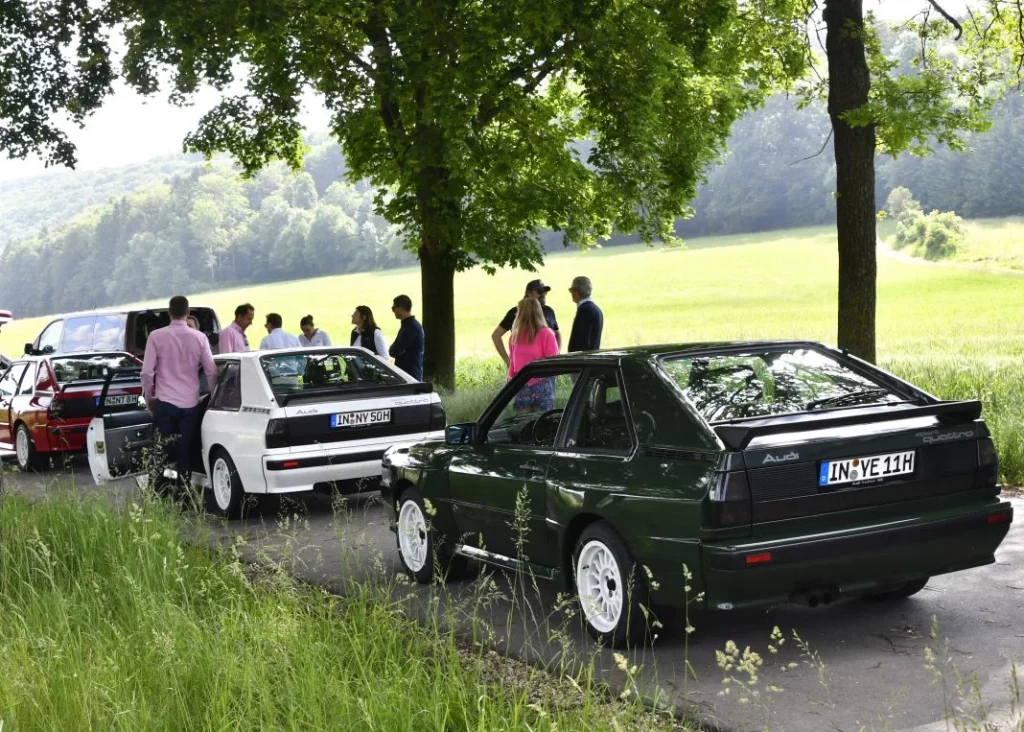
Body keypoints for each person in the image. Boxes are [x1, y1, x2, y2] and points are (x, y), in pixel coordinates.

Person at [141, 295, 218, 484]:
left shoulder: (155, 337)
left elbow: (147, 373)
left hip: (165, 402)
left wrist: (148, 397)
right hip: (190, 404)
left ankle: (156, 493)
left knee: (160, 451)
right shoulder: (200, 338)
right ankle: (184, 496)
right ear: (188, 312)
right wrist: (214, 397)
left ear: (169, 313)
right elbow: (211, 371)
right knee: (185, 451)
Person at [507, 298, 559, 415]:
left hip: (541, 384)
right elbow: (512, 362)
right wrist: (510, 379)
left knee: (540, 421)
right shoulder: (515, 336)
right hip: (522, 384)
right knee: (527, 423)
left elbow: (554, 364)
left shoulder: (546, 334)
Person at [491, 279, 560, 367]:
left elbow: (556, 334)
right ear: (529, 293)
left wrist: (557, 357)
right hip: (521, 369)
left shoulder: (549, 311)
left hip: (546, 371)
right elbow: (496, 336)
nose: (543, 295)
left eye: (545, 292)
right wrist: (509, 362)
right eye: (539, 292)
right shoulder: (515, 312)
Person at [389, 295, 424, 380]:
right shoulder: (409, 325)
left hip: (410, 376)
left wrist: (393, 349)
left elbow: (394, 351)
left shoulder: (410, 328)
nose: (393, 311)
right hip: (409, 374)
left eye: (393, 308)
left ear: (401, 308)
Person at [568, 276, 604, 353]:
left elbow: (581, 342)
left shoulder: (585, 310)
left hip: (582, 361)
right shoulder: (596, 309)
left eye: (571, 290)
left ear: (577, 291)